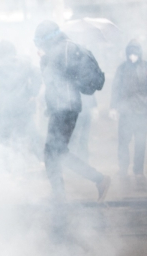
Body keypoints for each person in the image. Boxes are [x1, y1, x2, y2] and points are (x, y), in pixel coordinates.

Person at [34, 20, 110, 202]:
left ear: (46, 37)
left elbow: (58, 78)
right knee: (57, 151)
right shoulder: (63, 49)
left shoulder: (63, 50)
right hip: (63, 106)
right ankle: (96, 180)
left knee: (52, 152)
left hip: (65, 106)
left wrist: (45, 59)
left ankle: (62, 194)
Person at [0, 40, 42, 155]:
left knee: (2, 140)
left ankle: (4, 168)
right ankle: (30, 162)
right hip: (24, 106)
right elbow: (38, 74)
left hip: (5, 109)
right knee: (25, 136)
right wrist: (33, 93)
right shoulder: (25, 63)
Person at [111, 40, 147, 181]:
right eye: (130, 53)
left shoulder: (145, 67)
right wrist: (113, 107)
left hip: (142, 112)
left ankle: (138, 170)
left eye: (135, 53)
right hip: (126, 111)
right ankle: (123, 169)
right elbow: (115, 88)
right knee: (123, 141)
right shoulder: (122, 68)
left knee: (140, 142)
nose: (132, 56)